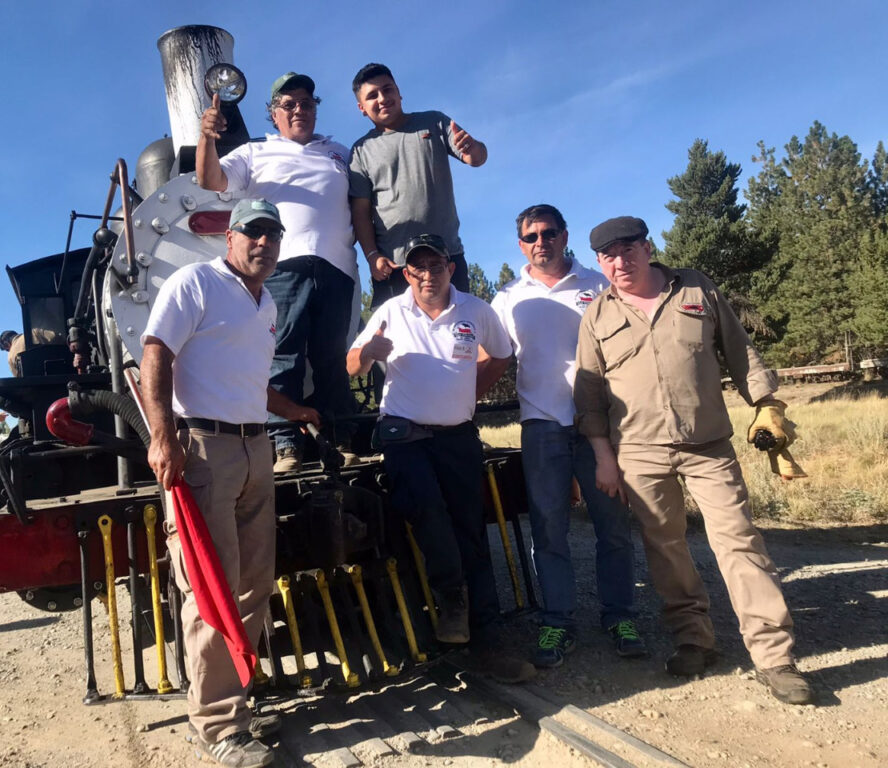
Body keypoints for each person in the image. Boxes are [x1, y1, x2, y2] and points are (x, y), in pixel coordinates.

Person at [573, 216, 813, 705]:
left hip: (708, 445)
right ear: (599, 262)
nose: (620, 261)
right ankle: (693, 640)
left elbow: (739, 351)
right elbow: (589, 395)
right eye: (608, 255)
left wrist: (767, 404)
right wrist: (603, 456)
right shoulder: (596, 315)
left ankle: (774, 657)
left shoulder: (695, 288)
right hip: (638, 451)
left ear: (647, 247)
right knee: (665, 547)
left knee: (739, 541)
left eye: (628, 249)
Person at [141, 198, 319, 768]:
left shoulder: (266, 303)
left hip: (255, 447)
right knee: (210, 589)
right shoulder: (196, 282)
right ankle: (217, 726)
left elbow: (250, 380)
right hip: (202, 449)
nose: (264, 242)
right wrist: (163, 436)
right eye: (253, 231)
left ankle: (235, 701)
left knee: (252, 584)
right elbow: (155, 353)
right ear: (230, 237)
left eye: (274, 234)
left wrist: (292, 410)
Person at [346, 233, 534, 684]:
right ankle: (451, 601)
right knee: (429, 514)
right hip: (405, 437)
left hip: (458, 438)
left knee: (471, 531)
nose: (428, 274)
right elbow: (352, 364)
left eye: (436, 265)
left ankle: (487, 641)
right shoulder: (390, 312)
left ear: (450, 268)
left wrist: (469, 392)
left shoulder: (476, 310)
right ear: (407, 274)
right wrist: (368, 354)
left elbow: (501, 355)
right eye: (418, 267)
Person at [491, 204, 645, 668]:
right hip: (542, 427)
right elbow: (492, 357)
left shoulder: (599, 285)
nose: (541, 242)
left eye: (549, 233)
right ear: (521, 245)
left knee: (613, 527)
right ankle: (557, 621)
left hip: (600, 426)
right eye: (531, 236)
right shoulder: (508, 299)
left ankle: (620, 616)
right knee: (548, 532)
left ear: (564, 236)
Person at [196, 72, 357, 473]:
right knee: (282, 356)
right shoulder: (255, 152)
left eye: (307, 102)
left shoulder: (340, 153)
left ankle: (341, 441)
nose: (299, 109)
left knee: (332, 359)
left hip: (337, 268)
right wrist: (207, 137)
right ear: (273, 113)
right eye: (289, 104)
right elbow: (209, 180)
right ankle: (286, 447)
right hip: (283, 267)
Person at [348, 63, 487, 308]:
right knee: (394, 333)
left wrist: (473, 149)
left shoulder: (434, 122)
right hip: (394, 266)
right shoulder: (360, 151)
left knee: (458, 328)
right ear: (361, 108)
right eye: (372, 95)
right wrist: (372, 256)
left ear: (399, 92)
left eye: (387, 89)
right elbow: (360, 212)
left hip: (447, 258)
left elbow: (477, 158)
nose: (382, 98)